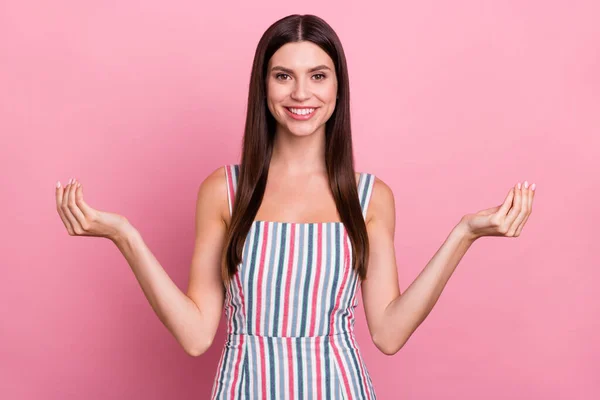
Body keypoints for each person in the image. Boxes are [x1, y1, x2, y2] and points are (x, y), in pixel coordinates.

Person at [54, 13, 536, 400]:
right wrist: (125, 236)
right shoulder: (224, 190)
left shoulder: (371, 198)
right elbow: (197, 334)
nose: (301, 93)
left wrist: (464, 234)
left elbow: (388, 333)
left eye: (317, 76)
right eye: (283, 75)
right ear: (263, 88)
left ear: (338, 88)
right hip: (244, 388)